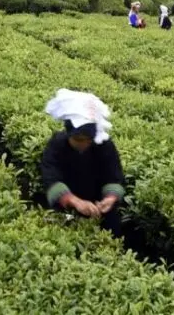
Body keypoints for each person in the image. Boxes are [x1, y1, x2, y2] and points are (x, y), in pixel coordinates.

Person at [40, 89, 126, 238]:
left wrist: (109, 199)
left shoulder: (104, 145)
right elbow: (50, 177)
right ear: (68, 134)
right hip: (66, 209)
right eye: (78, 139)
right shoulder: (57, 145)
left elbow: (114, 176)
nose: (84, 144)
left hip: (100, 211)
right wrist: (74, 201)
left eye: (88, 139)